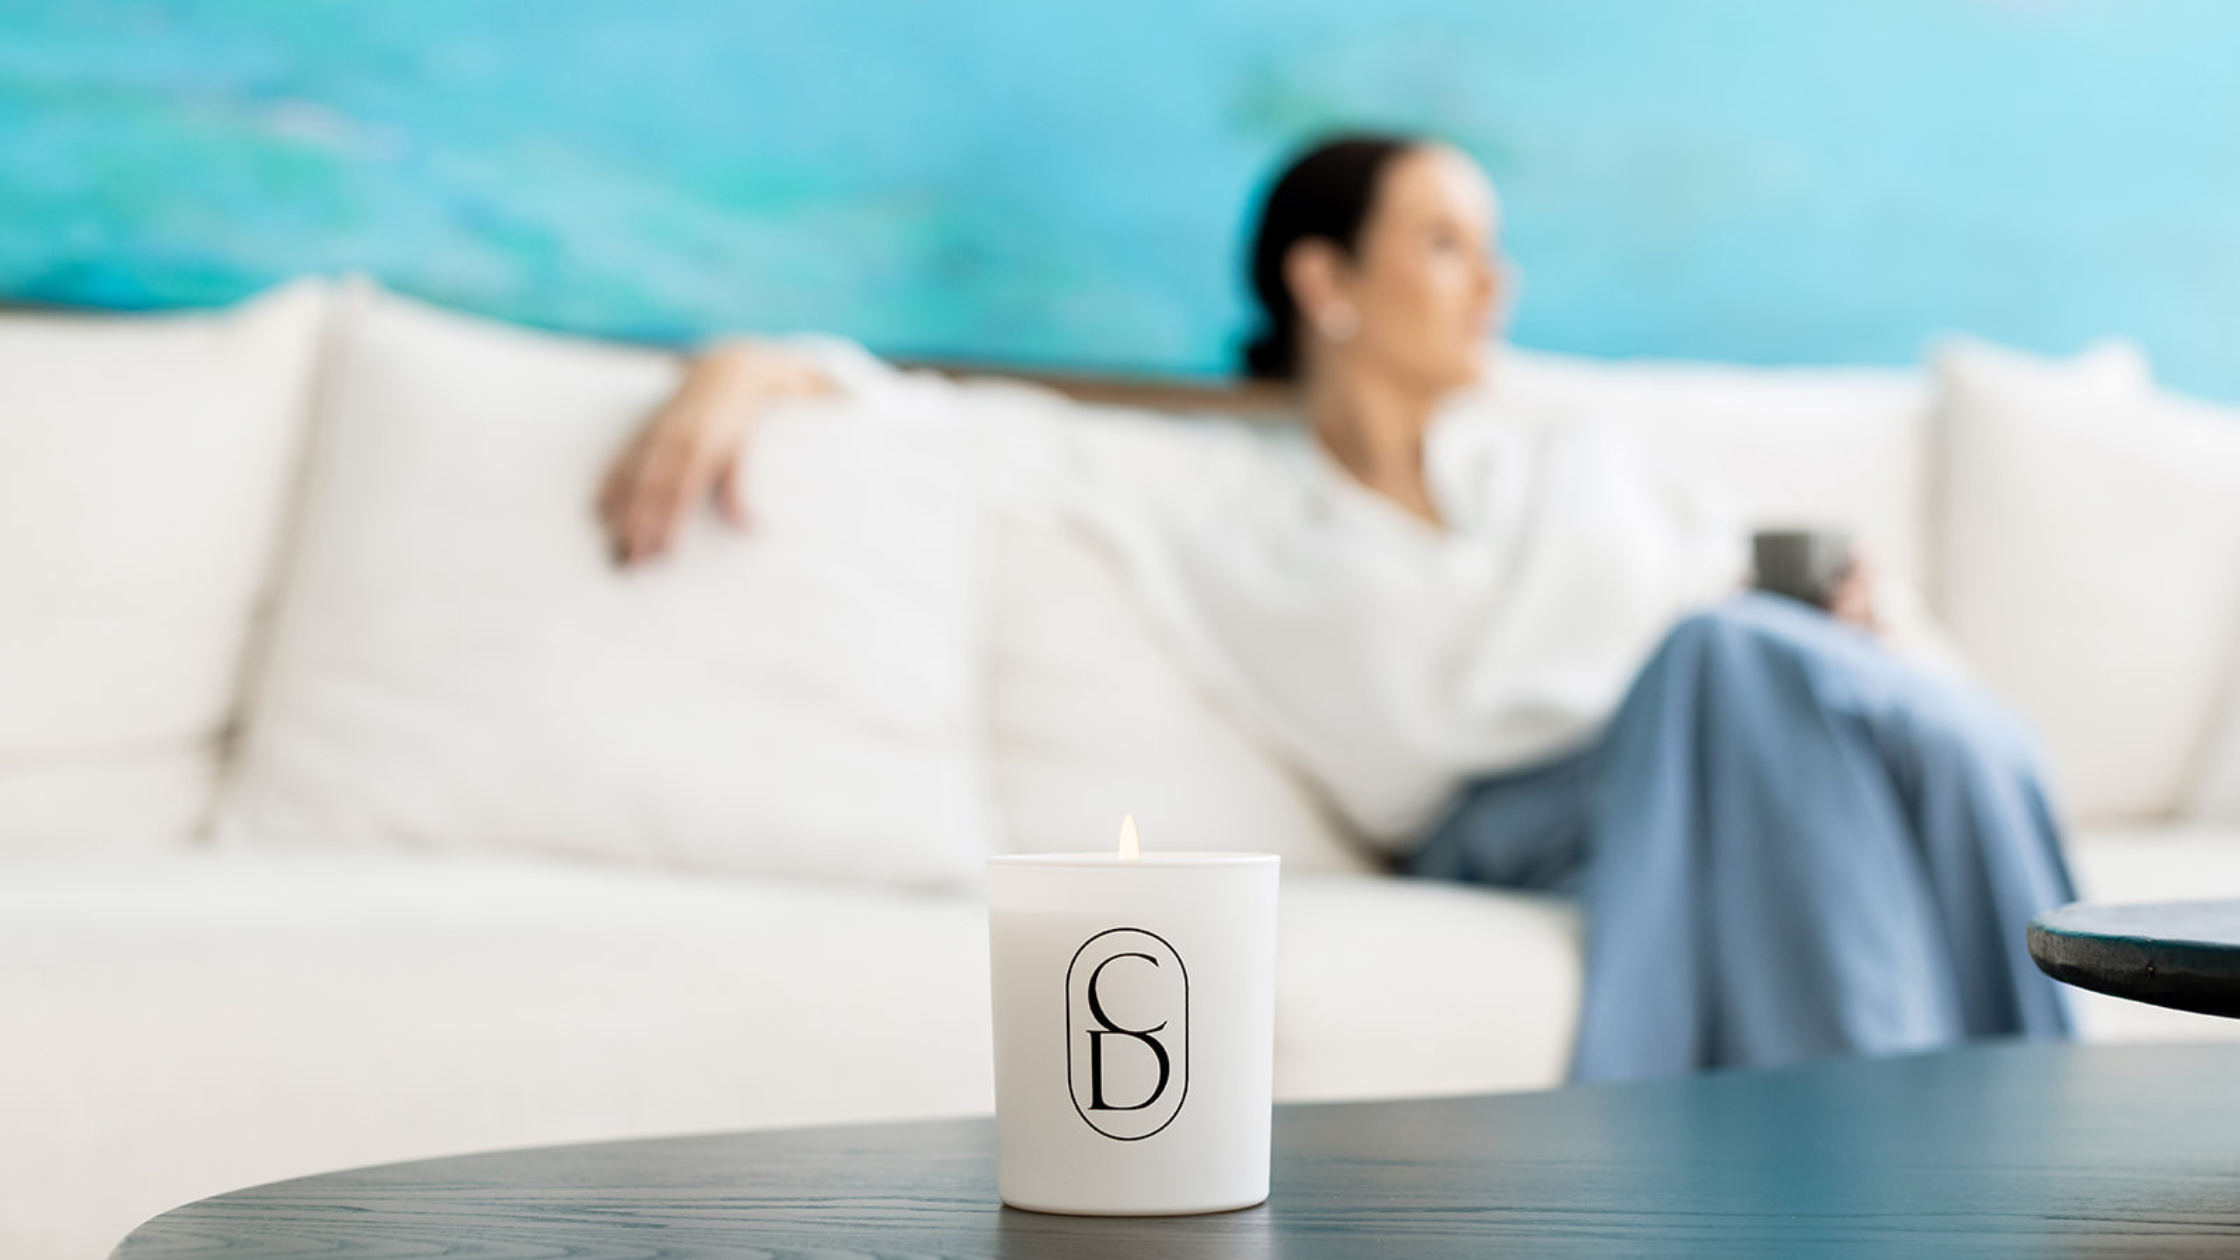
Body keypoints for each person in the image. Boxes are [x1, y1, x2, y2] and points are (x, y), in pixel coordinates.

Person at [597, 134, 2076, 1080]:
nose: (1492, 282)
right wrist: (749, 365)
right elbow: (958, 426)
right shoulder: (1216, 497)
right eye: (1444, 243)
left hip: (1734, 759)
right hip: (1512, 819)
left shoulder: (1581, 454)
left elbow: (1797, 636)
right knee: (1722, 657)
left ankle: (2003, 1135)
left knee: (1791, 668)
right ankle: (1908, 1141)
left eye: (1491, 247)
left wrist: (1860, 629)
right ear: (1325, 281)